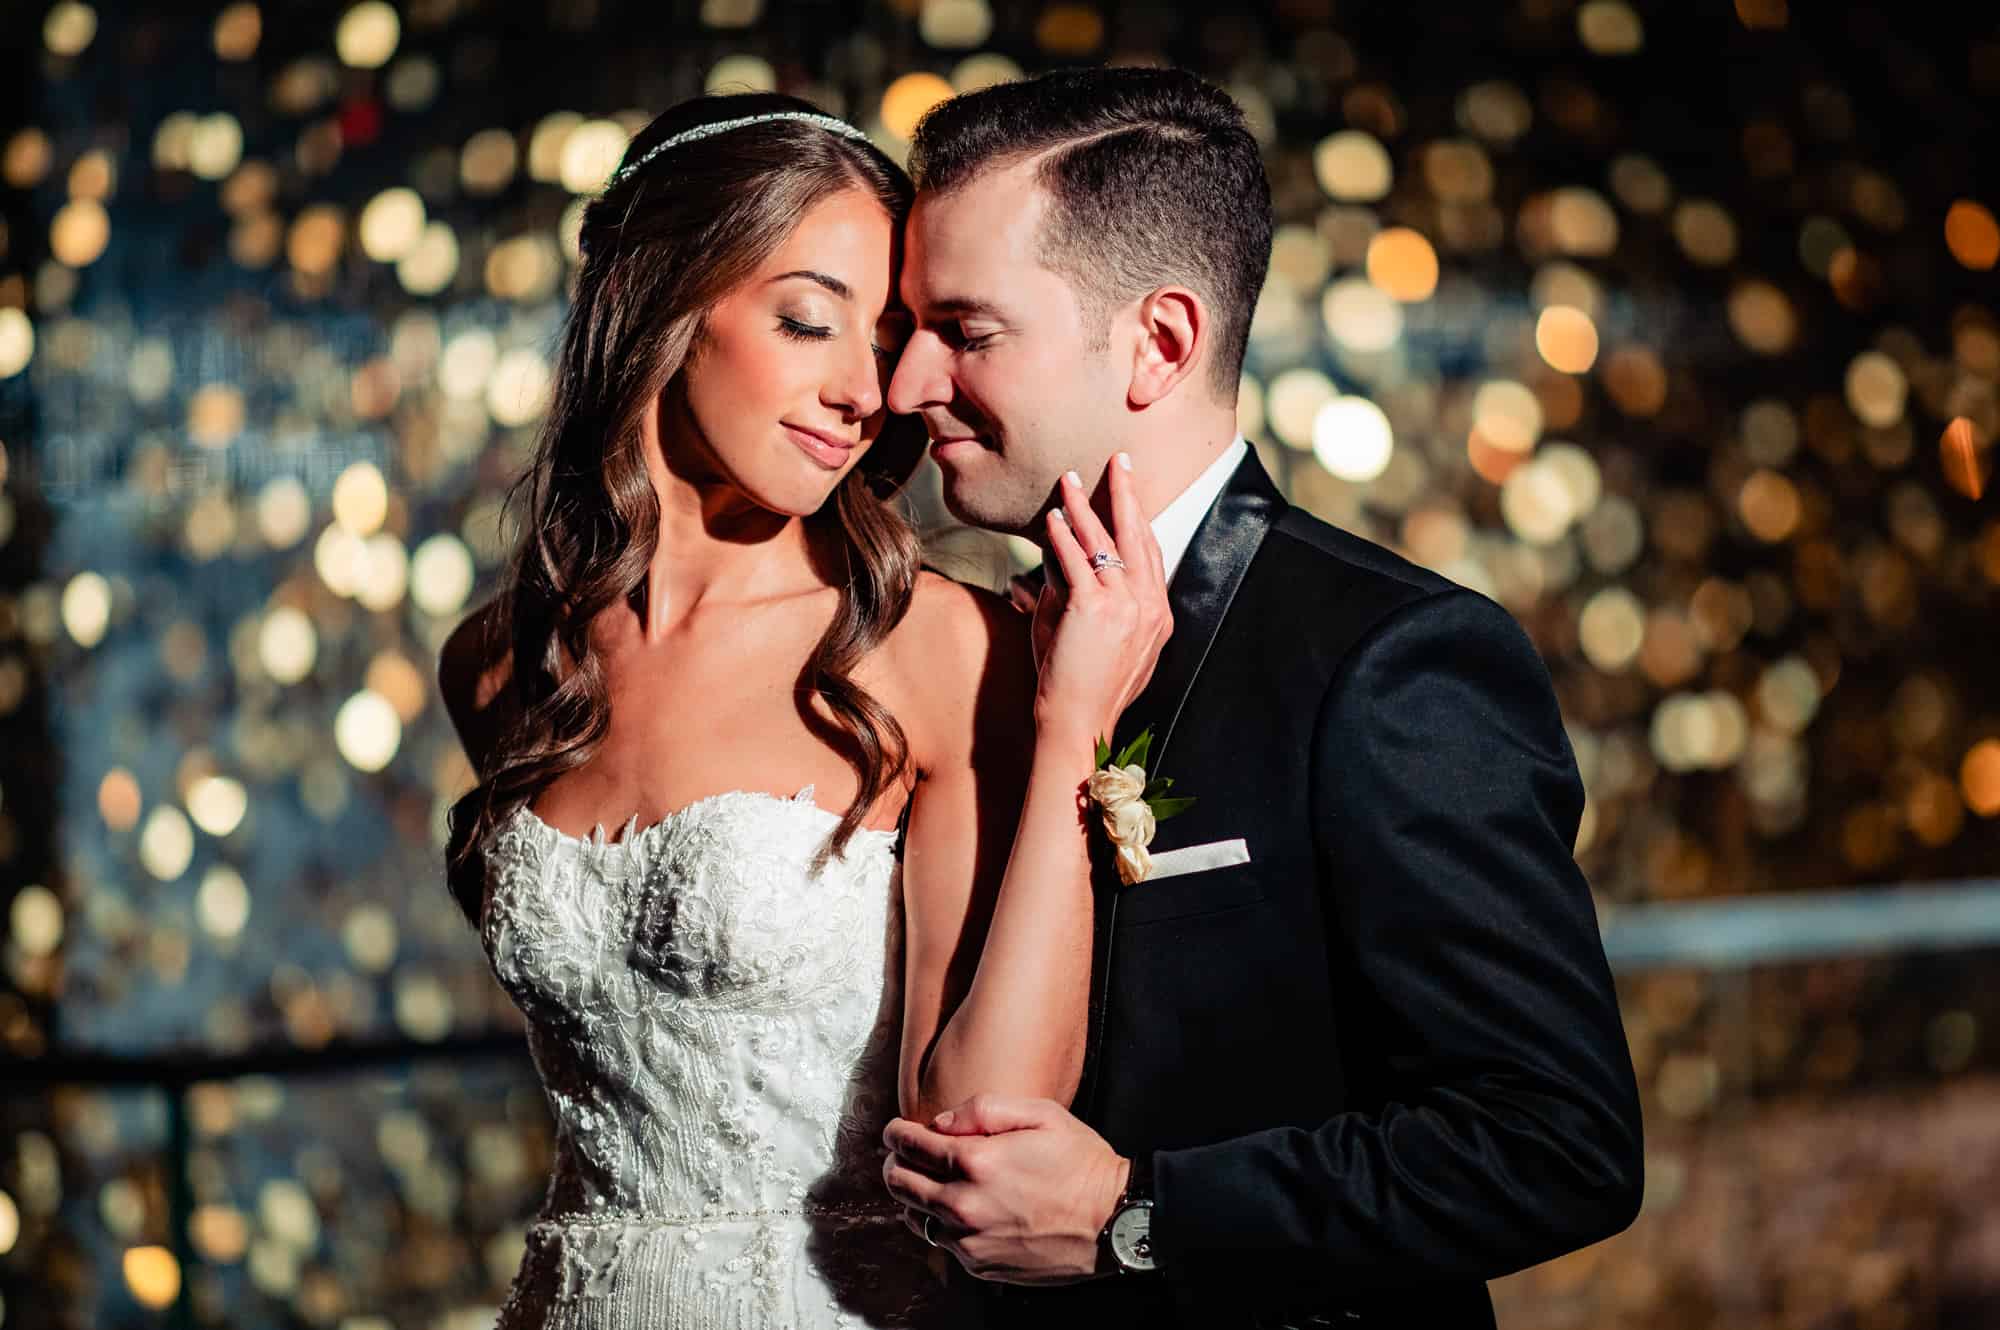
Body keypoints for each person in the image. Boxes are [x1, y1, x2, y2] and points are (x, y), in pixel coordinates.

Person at [877, 67, 1646, 1329]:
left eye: (964, 331)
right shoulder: (962, 657)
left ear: (1160, 342)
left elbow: (1555, 1142)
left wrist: (1134, 1216)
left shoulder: (1392, 664)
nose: (907, 387)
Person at [437, 91, 1171, 1329]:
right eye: (807, 321)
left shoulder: (926, 647)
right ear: (665, 301)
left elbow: (977, 1120)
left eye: (883, 340)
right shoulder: (509, 666)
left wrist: (1068, 734)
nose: (864, 391)